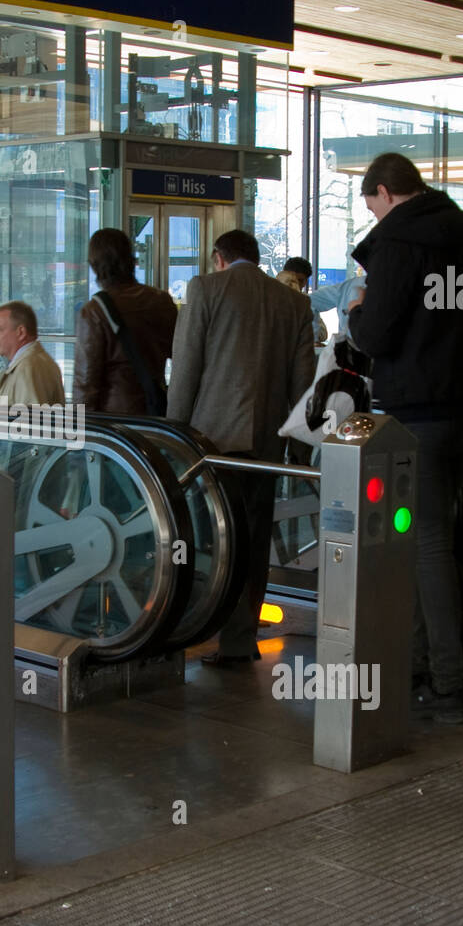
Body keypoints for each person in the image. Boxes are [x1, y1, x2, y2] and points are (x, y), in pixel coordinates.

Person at [347, 152, 463, 724]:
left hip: (419, 410)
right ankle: (419, 664)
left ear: (386, 192)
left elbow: (378, 334)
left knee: (422, 544)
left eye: (372, 207)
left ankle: (445, 682)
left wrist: (356, 315)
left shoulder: (399, 243)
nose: (374, 220)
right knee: (428, 539)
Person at [167, 228, 316, 666]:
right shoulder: (293, 302)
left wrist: (174, 434)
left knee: (210, 538)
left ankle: (193, 630)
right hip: (267, 444)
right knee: (253, 543)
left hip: (211, 443)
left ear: (219, 258)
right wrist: (301, 452)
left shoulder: (206, 289)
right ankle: (239, 641)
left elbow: (187, 368)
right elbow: (302, 384)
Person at [73, 227, 177, 414]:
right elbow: (181, 356)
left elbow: (85, 384)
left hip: (116, 424)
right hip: (157, 414)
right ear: (130, 259)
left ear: (95, 265)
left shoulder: (94, 312)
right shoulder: (162, 300)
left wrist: (80, 432)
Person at [0, 301, 65, 406]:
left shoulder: (28, 368)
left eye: (0, 329)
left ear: (21, 333)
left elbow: (32, 420)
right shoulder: (33, 363)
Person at [277, 257, 328, 345]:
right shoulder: (269, 300)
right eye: (291, 280)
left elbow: (322, 334)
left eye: (299, 281)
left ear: (306, 282)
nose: (294, 285)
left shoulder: (307, 302)